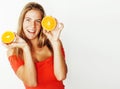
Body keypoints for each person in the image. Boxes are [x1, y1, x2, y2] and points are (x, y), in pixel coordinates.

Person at [4, 2, 67, 89]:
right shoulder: (13, 52)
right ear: (22, 22)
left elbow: (61, 76)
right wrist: (25, 48)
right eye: (28, 20)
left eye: (38, 21)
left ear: (42, 25)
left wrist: (56, 43)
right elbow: (31, 82)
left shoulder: (53, 43)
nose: (32, 26)